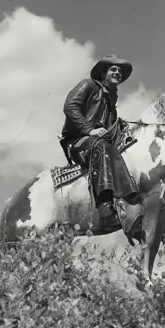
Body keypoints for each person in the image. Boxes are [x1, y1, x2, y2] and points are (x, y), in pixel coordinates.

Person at [60, 54, 141, 231]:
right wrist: (89, 130)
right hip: (78, 142)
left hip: (99, 143)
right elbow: (70, 107)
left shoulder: (112, 100)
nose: (118, 72)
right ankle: (104, 204)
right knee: (103, 147)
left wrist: (119, 128)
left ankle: (129, 201)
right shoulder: (88, 85)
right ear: (103, 73)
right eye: (113, 69)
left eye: (120, 71)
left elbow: (108, 131)